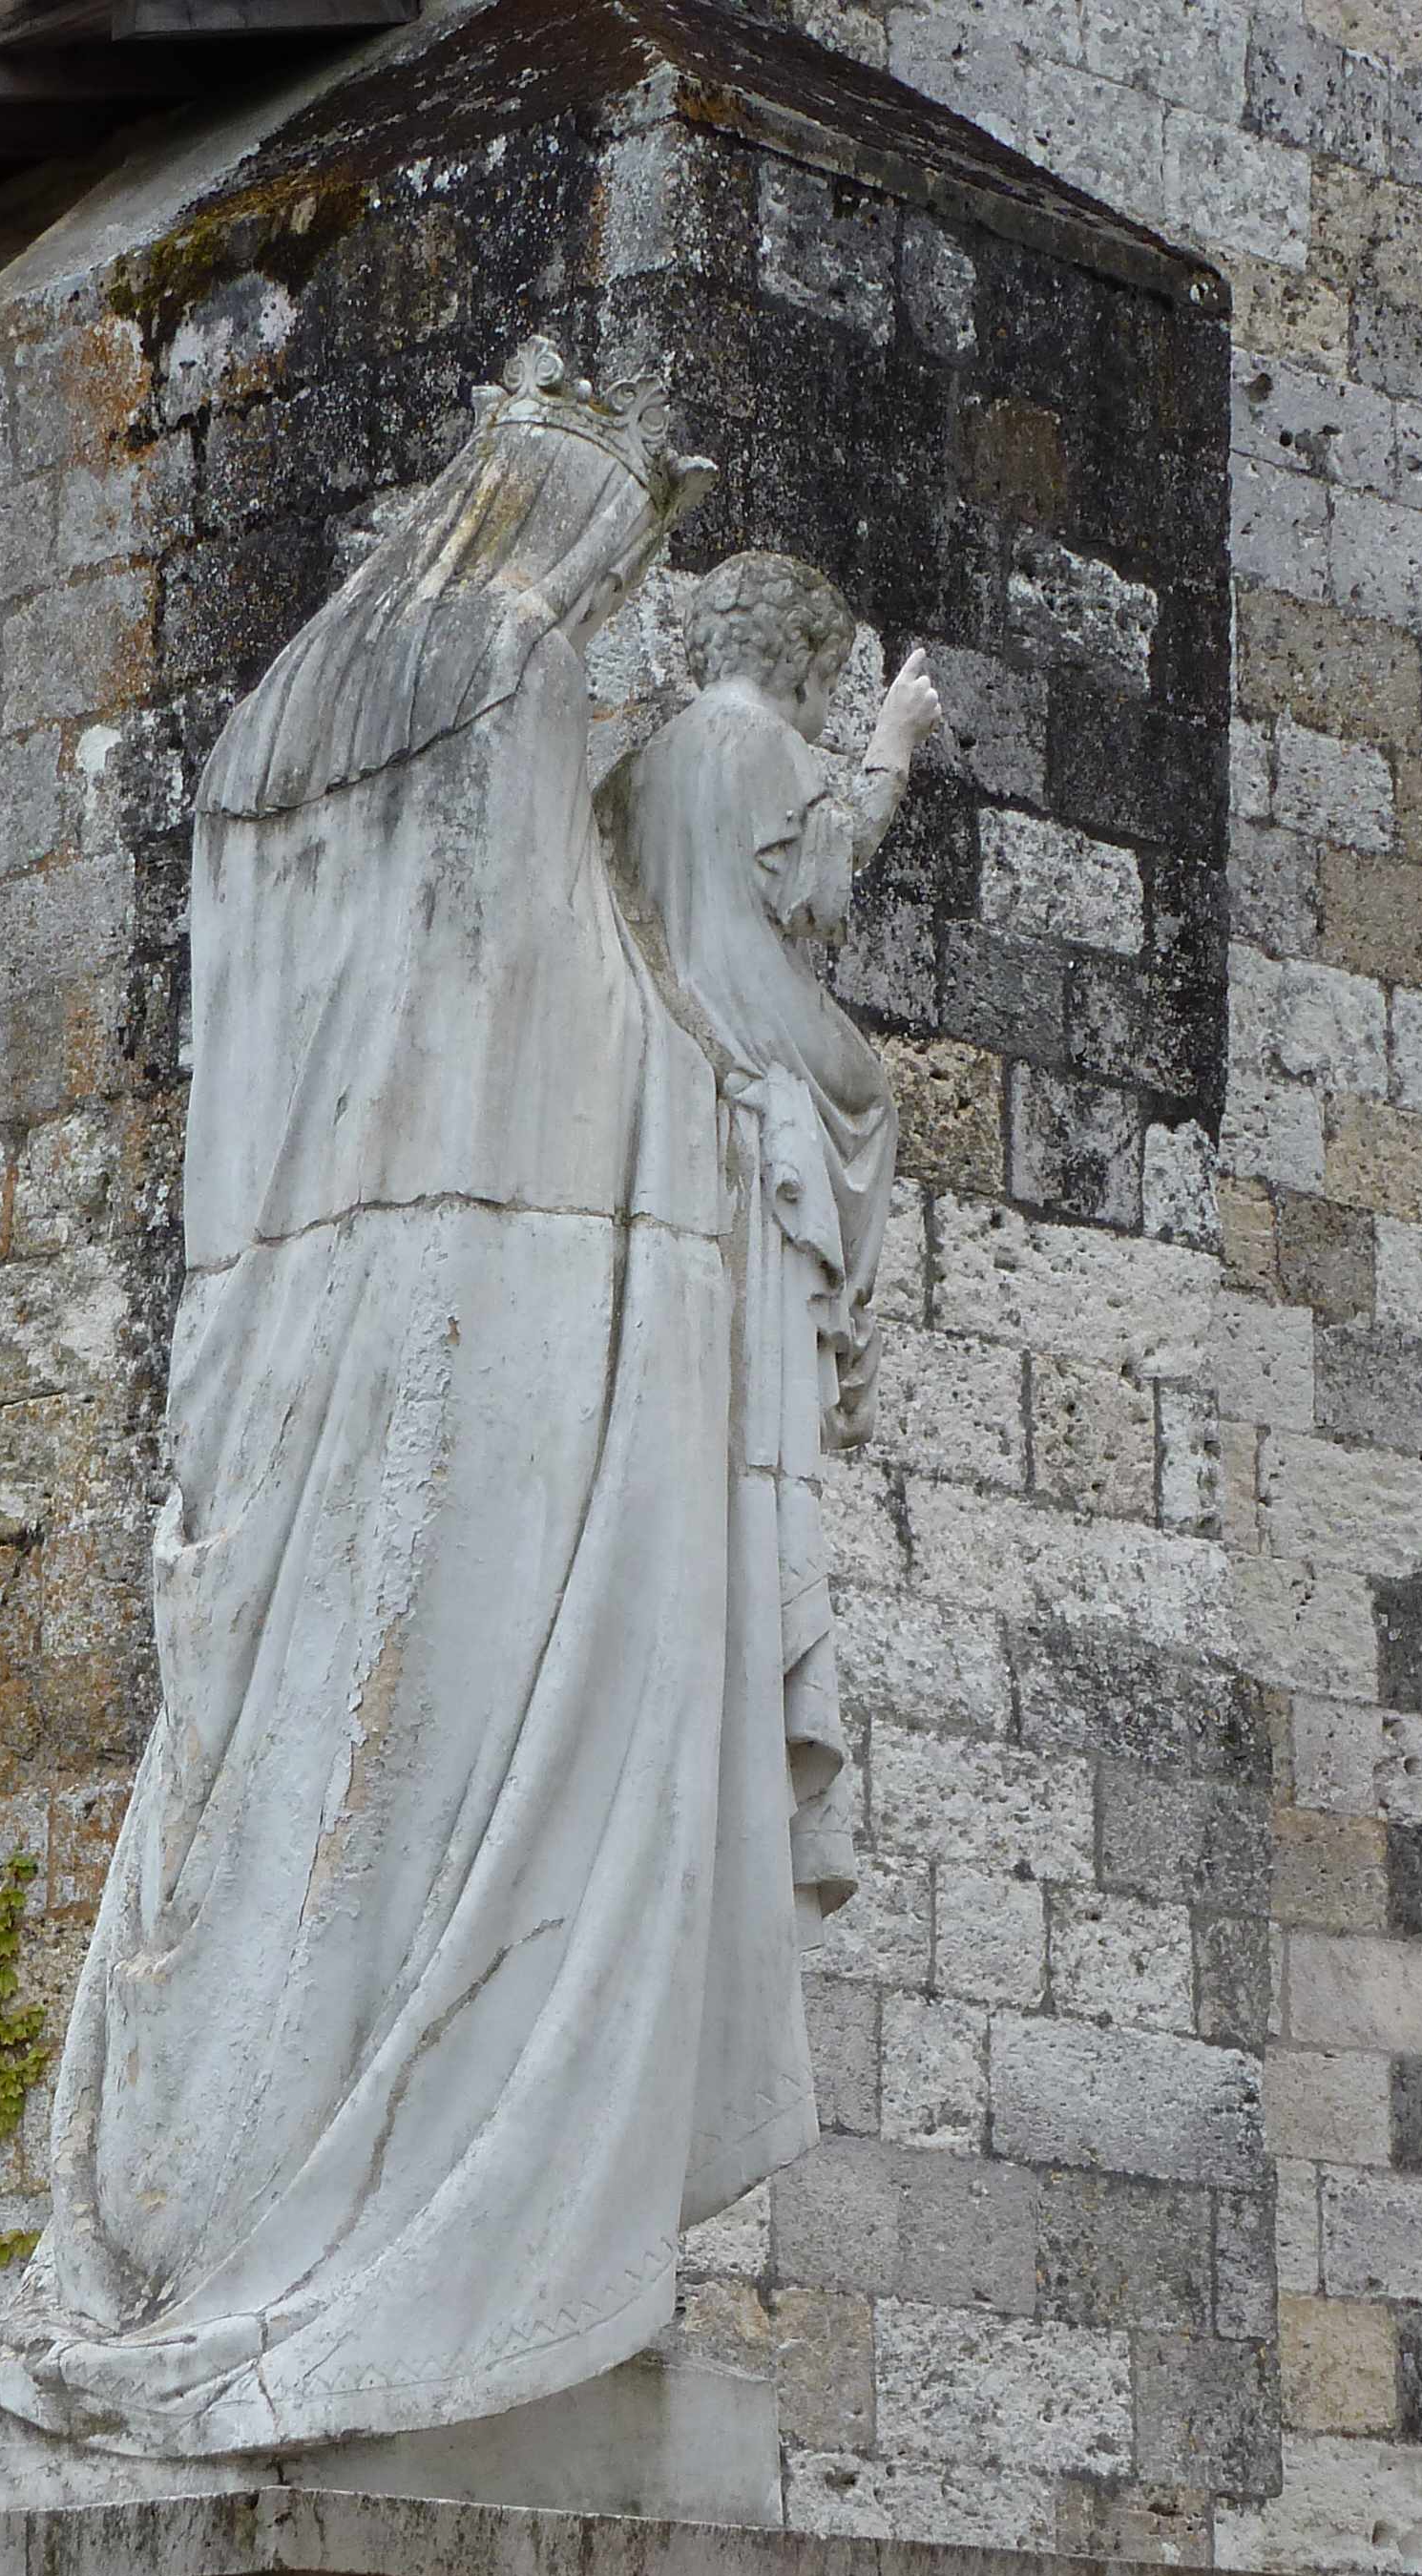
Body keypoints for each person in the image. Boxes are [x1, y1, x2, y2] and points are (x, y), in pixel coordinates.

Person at [0, 345, 826, 2461]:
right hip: (504, 1315)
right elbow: (555, 1007)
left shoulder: (281, 735)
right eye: (622, 569)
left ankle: (224, 2197)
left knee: (290, 1799)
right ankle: (404, 2240)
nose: (622, 619)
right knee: (450, 1770)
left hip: (297, 1347)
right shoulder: (504, 676)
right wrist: (746, 1092)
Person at [604, 549, 942, 1919]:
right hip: (763, 1082)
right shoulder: (752, 743)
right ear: (804, 659)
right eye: (826, 679)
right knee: (868, 1090)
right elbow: (821, 886)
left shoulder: (646, 760)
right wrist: (892, 743)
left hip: (684, 1088)